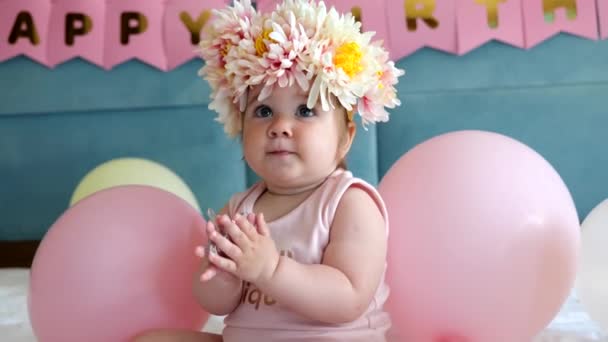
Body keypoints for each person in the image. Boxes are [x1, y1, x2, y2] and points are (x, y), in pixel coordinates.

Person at [133, 0, 404, 341]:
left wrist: (271, 269)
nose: (280, 127)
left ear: (345, 138)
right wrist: (223, 273)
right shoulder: (240, 209)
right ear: (240, 128)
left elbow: (349, 298)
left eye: (305, 111)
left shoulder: (349, 203)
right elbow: (216, 305)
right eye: (263, 111)